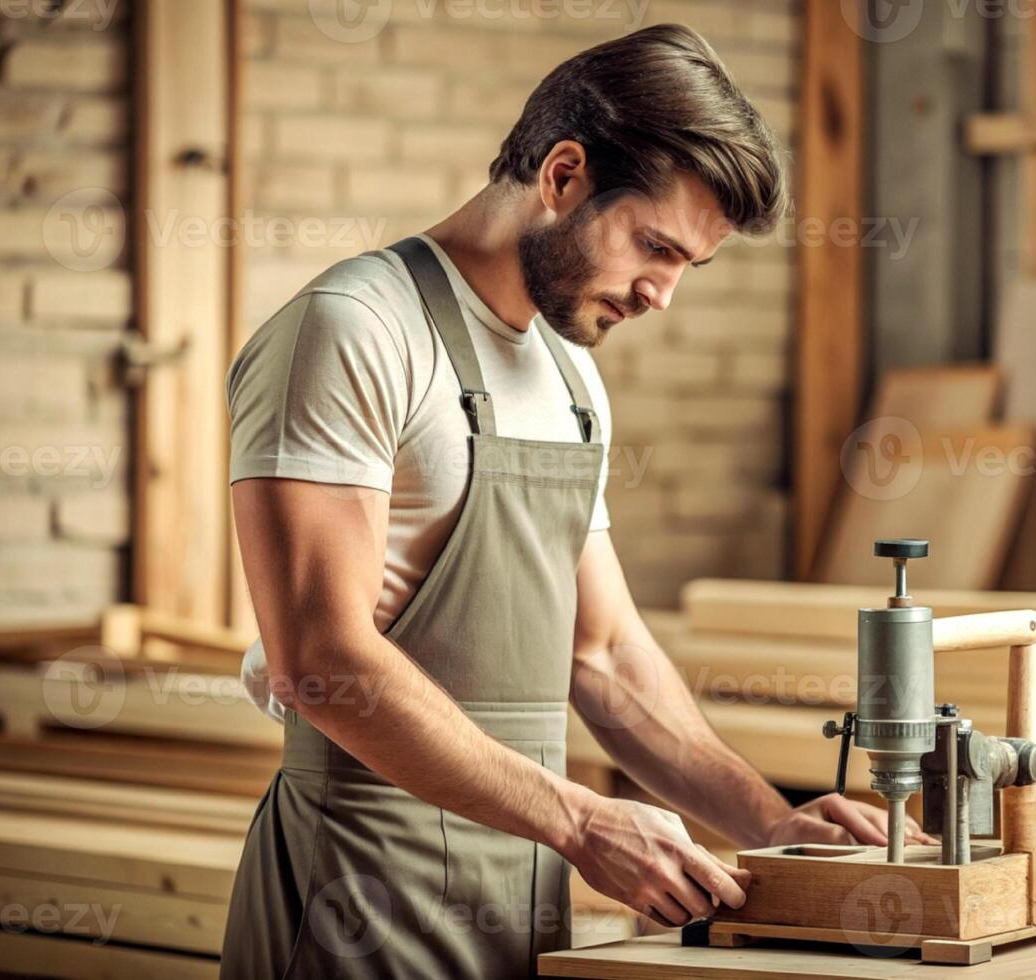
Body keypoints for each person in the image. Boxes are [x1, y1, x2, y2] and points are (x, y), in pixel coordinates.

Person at [219, 24, 929, 978]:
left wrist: (774, 823)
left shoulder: (569, 378)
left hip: (524, 905)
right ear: (562, 176)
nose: (663, 295)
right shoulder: (352, 332)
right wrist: (582, 817)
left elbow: (601, 656)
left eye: (688, 267)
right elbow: (318, 659)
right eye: (653, 247)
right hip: (356, 901)